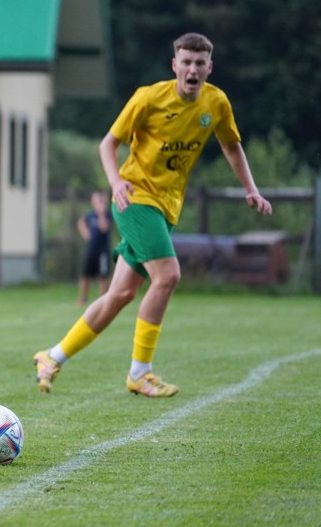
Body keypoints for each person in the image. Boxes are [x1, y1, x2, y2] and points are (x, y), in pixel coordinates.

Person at [33, 33, 272, 398]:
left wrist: (250, 189)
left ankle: (52, 357)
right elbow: (108, 144)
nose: (192, 69)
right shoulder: (148, 98)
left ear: (209, 67)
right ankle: (140, 372)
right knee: (168, 276)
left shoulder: (216, 102)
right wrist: (115, 182)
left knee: (120, 294)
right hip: (135, 199)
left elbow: (231, 146)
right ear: (175, 65)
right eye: (186, 62)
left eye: (200, 63)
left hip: (166, 207)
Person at [76, 190, 112, 306]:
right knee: (85, 274)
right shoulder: (90, 215)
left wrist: (101, 213)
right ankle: (83, 298)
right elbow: (81, 222)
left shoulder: (107, 215)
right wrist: (86, 234)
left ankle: (103, 301)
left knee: (103, 276)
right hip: (91, 250)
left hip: (103, 251)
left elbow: (104, 228)